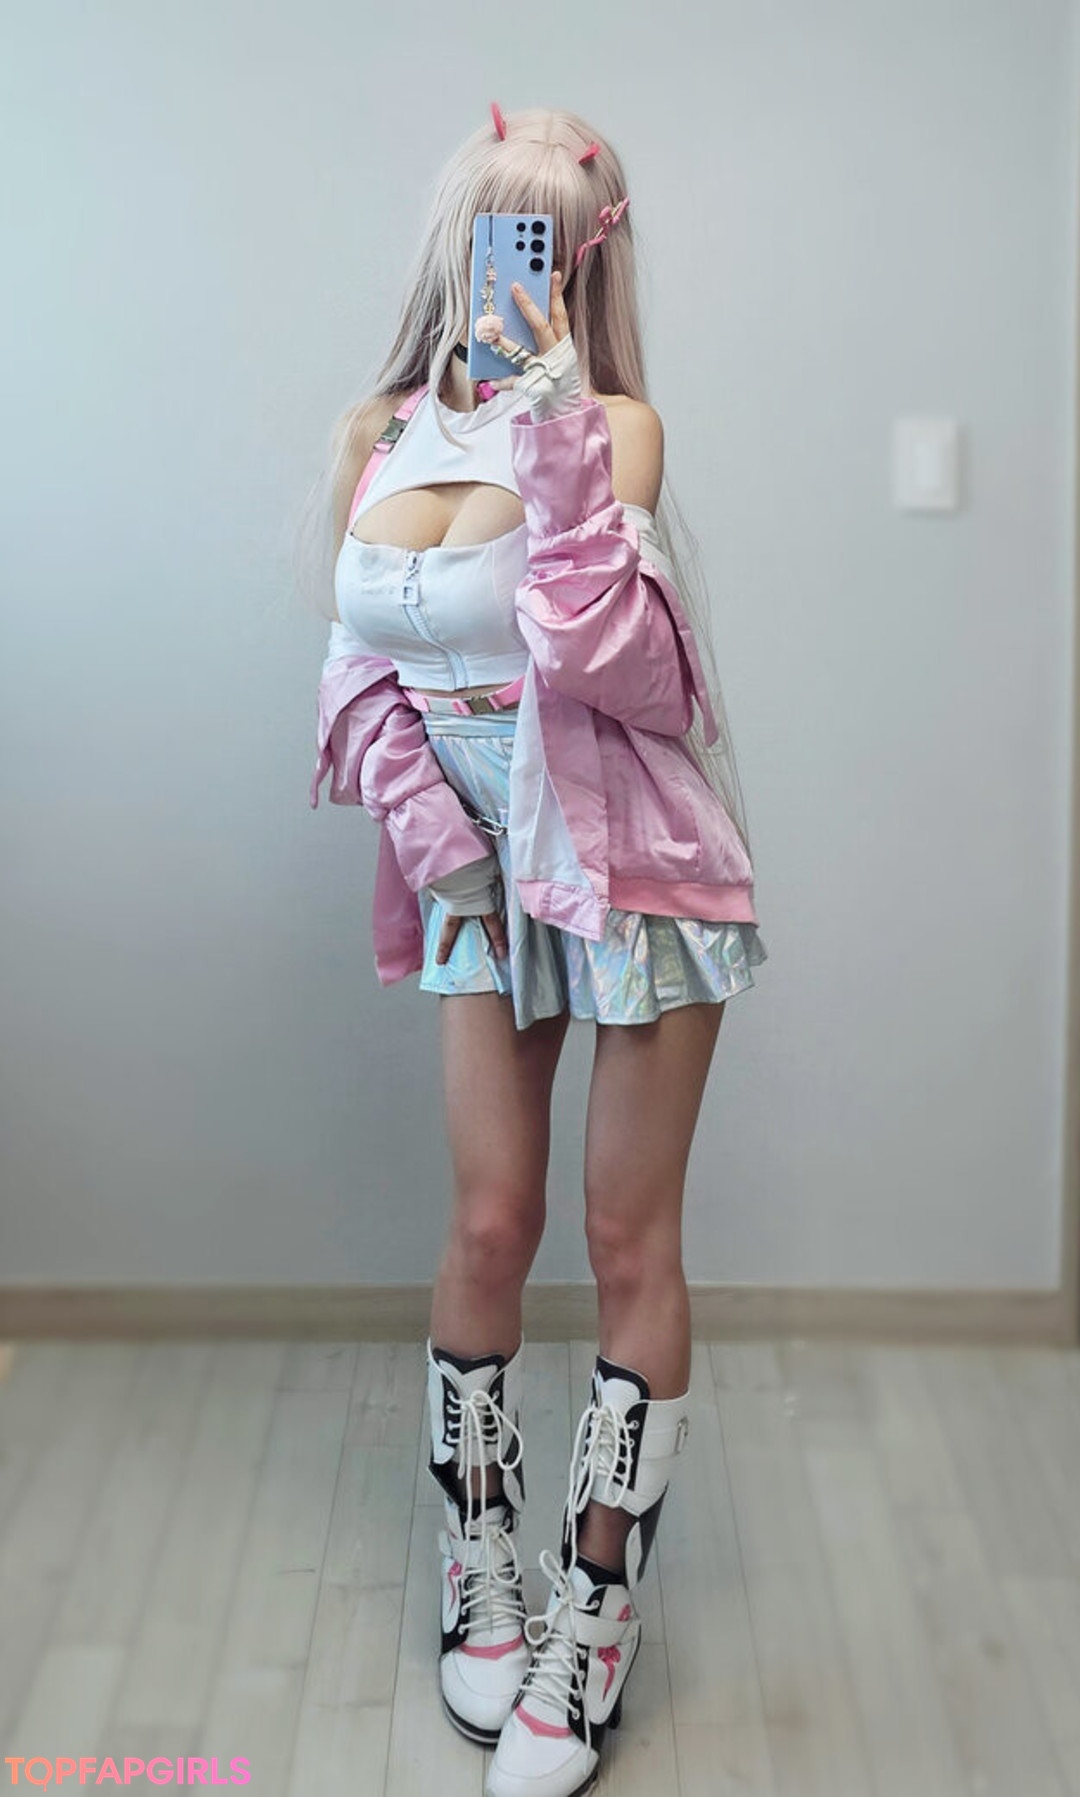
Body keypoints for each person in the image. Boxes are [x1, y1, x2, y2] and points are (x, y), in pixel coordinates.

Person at [306, 102, 768, 1797]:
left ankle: (596, 1605)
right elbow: (356, 666)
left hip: (630, 864)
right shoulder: (375, 434)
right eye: (486, 226)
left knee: (623, 1233)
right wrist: (437, 843)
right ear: (452, 241)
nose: (502, 263)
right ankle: (481, 1558)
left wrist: (559, 415)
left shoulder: (617, 428)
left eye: (540, 235)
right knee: (490, 1222)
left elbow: (612, 662)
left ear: (582, 262)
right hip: (480, 880)